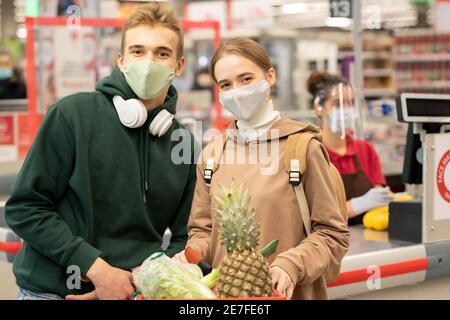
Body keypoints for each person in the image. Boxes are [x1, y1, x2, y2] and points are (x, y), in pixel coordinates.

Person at [6, 2, 197, 300]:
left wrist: (145, 282)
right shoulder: (71, 116)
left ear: (179, 65)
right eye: (137, 51)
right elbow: (25, 207)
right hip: (55, 293)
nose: (149, 62)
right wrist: (96, 268)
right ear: (121, 60)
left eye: (162, 53)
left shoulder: (183, 142)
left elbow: (187, 238)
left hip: (133, 294)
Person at [174, 38, 350, 300]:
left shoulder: (302, 147)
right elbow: (204, 232)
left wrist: (290, 265)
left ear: (270, 76)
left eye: (246, 79)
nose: (237, 91)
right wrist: (188, 257)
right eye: (226, 85)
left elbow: (332, 234)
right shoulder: (212, 155)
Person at [307, 71, 394, 225]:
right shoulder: (312, 152)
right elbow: (314, 213)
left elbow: (378, 198)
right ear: (319, 108)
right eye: (338, 104)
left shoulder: (365, 150)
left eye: (350, 103)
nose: (346, 110)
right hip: (329, 242)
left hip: (368, 237)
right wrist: (358, 204)